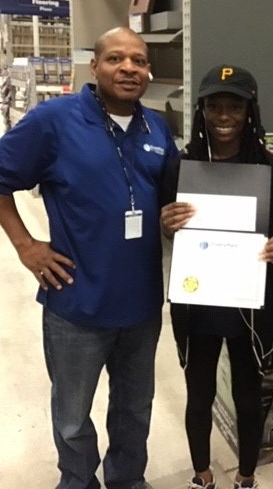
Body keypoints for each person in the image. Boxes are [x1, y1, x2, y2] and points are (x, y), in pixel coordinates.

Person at [0, 27, 179, 489]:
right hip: (76, 303)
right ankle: (77, 482)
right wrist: (26, 245)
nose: (128, 68)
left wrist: (174, 218)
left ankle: (128, 480)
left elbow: (167, 203)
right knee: (72, 416)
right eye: (116, 59)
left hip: (141, 307)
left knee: (134, 410)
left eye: (138, 61)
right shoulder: (54, 121)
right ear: (94, 66)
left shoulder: (157, 128)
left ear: (148, 71)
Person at [160, 65, 273, 489]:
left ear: (249, 111)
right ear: (201, 110)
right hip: (198, 299)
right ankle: (202, 476)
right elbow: (170, 229)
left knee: (247, 394)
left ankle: (246, 477)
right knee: (198, 393)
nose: (224, 116)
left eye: (234, 106)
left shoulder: (270, 170)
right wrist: (167, 223)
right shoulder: (182, 166)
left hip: (247, 300)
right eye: (214, 106)